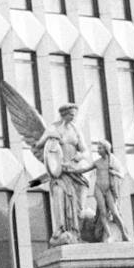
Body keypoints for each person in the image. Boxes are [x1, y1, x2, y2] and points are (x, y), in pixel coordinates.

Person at [39, 103, 98, 243]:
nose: (73, 117)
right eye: (71, 114)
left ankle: (75, 232)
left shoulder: (76, 130)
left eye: (74, 114)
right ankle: (60, 230)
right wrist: (48, 137)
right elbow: (39, 145)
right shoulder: (53, 128)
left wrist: (80, 156)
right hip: (59, 172)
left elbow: (85, 151)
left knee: (77, 206)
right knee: (59, 195)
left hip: (74, 171)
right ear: (64, 114)